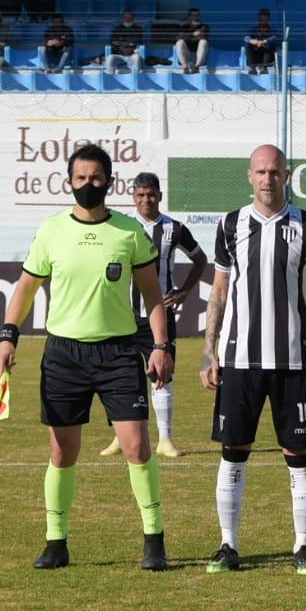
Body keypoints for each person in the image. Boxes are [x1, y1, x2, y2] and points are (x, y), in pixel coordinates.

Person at [0, 144, 172, 571]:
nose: (88, 184)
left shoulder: (129, 232)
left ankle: (154, 539)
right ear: (68, 181)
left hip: (118, 351)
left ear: (109, 181)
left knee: (138, 448)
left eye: (96, 178)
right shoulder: (52, 230)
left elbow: (153, 295)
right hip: (63, 355)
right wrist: (7, 337)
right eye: (81, 178)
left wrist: (161, 347)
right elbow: (24, 288)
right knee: (62, 452)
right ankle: (56, 541)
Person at [201, 144, 306, 575]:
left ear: (287, 176)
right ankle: (228, 546)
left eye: (275, 172)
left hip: (296, 361)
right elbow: (220, 291)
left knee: (298, 453)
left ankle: (303, 547)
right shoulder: (230, 225)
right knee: (233, 452)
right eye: (261, 171)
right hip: (239, 359)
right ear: (249, 176)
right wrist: (209, 350)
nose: (268, 179)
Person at [100, 172, 209, 459]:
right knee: (120, 377)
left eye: (151, 195)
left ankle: (165, 439)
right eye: (140, 195)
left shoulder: (173, 229)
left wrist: (184, 290)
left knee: (162, 374)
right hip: (122, 314)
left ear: (160, 196)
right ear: (133, 197)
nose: (146, 200)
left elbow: (200, 259)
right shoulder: (118, 226)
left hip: (159, 314)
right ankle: (119, 436)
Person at [174, 7, 210, 73]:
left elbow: (200, 34)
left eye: (198, 15)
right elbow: (178, 37)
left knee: (203, 41)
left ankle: (197, 67)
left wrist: (186, 35)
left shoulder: (204, 26)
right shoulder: (184, 27)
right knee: (179, 42)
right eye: (194, 15)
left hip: (201, 57)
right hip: (187, 55)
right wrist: (193, 34)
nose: (196, 17)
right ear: (189, 17)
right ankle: (185, 67)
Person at [243, 9, 279, 74]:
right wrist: (253, 41)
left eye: (265, 20)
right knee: (247, 44)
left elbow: (275, 37)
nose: (263, 22)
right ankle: (252, 68)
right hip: (256, 57)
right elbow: (246, 37)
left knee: (269, 44)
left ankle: (264, 68)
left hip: (267, 58)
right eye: (261, 20)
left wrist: (264, 41)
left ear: (268, 20)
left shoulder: (272, 30)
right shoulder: (254, 30)